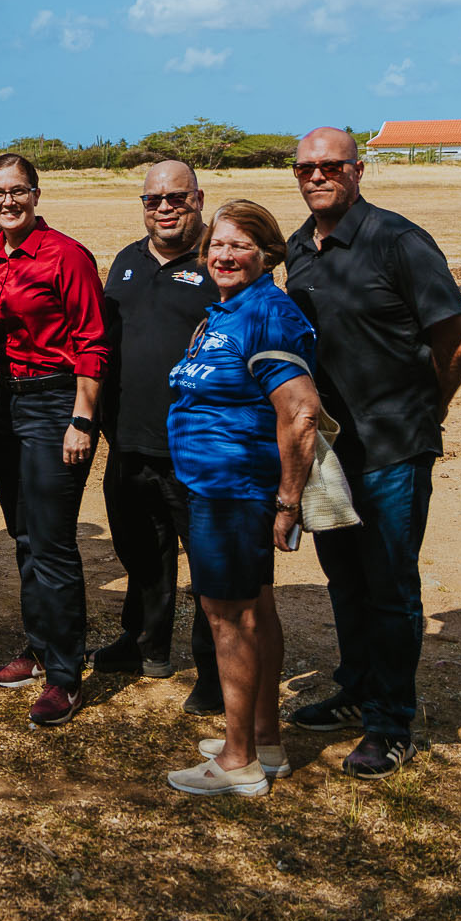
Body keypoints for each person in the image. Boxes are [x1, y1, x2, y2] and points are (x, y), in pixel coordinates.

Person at [284, 127, 461, 779]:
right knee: (345, 580)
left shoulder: (398, 241)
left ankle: (391, 724)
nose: (318, 176)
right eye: (306, 167)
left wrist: (427, 409)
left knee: (390, 586)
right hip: (329, 451)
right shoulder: (298, 248)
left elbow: (458, 337)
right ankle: (357, 691)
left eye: (331, 165)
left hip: (393, 447)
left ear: (358, 170)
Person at [164, 200, 320, 798]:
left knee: (229, 618)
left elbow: (301, 412)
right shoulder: (231, 309)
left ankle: (238, 762)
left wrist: (287, 501)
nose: (223, 256)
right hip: (218, 487)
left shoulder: (266, 314)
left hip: (233, 490)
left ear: (268, 254)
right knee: (255, 609)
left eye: (239, 246)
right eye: (216, 246)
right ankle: (264, 740)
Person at [0, 152, 110, 728]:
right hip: (8, 401)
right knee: (24, 536)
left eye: (18, 190)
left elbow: (93, 341)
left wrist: (82, 418)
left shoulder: (65, 255)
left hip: (57, 402)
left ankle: (65, 674)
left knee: (53, 543)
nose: (8, 201)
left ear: (36, 194)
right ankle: (38, 647)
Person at [95, 160, 222, 712]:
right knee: (140, 550)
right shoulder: (127, 261)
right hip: (128, 440)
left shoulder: (219, 261)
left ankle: (215, 669)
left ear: (199, 199)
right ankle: (145, 644)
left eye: (177, 197)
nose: (165, 208)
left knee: (210, 564)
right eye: (153, 200)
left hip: (196, 448)